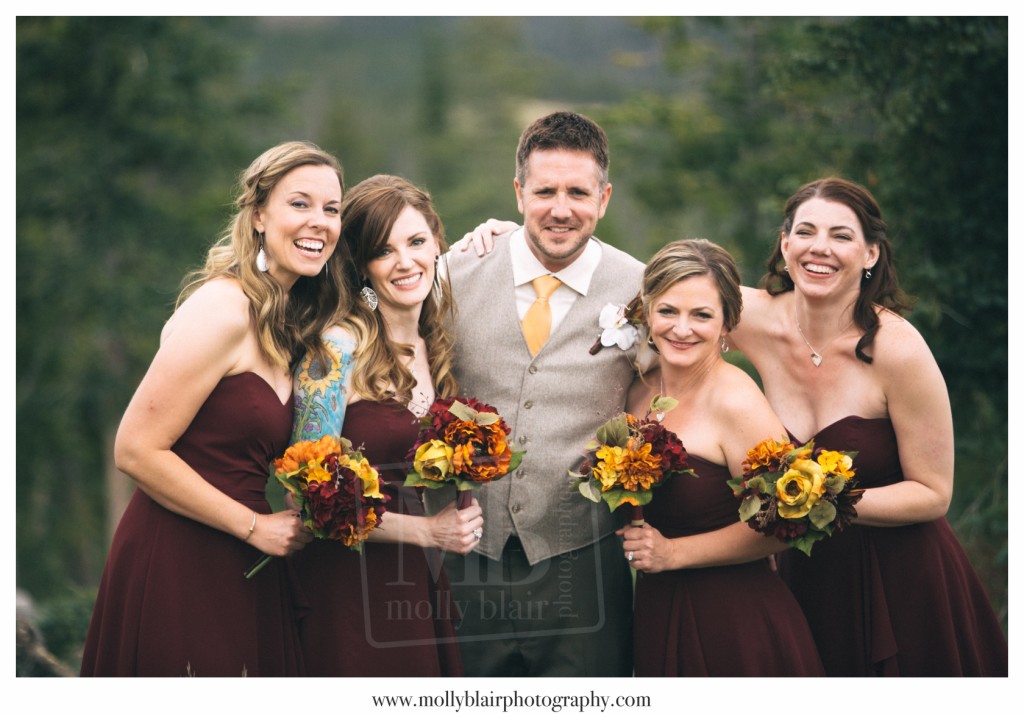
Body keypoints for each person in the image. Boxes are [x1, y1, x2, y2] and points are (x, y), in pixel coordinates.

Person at [80, 141, 346, 676]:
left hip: (242, 558)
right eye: (300, 204)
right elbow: (134, 449)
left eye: (331, 209)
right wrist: (254, 526)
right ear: (257, 217)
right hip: (179, 552)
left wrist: (493, 241)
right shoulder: (223, 309)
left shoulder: (287, 321)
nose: (318, 222)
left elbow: (405, 270)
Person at [729, 177, 1007, 676]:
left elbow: (933, 492)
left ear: (870, 253)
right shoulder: (747, 316)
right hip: (802, 575)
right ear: (785, 244)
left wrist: (817, 499)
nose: (820, 248)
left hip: (901, 579)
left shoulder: (898, 350)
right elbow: (656, 290)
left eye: (841, 235)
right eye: (806, 232)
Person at [427, 111, 642, 677]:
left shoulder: (643, 289)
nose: (561, 208)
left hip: (584, 560)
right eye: (545, 190)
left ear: (605, 197)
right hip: (465, 551)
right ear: (519, 192)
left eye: (578, 191)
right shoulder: (450, 274)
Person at [289, 175, 482, 676]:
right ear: (360, 267)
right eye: (383, 250)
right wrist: (428, 532)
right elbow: (306, 498)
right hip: (345, 585)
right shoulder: (336, 348)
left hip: (411, 581)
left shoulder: (433, 345)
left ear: (437, 243)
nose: (405, 262)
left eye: (417, 242)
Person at [616, 239, 824, 676]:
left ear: (728, 322)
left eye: (702, 315)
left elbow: (791, 524)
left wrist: (674, 554)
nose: (681, 328)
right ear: (647, 313)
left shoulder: (736, 402)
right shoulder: (639, 391)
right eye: (668, 311)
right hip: (656, 609)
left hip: (733, 623)